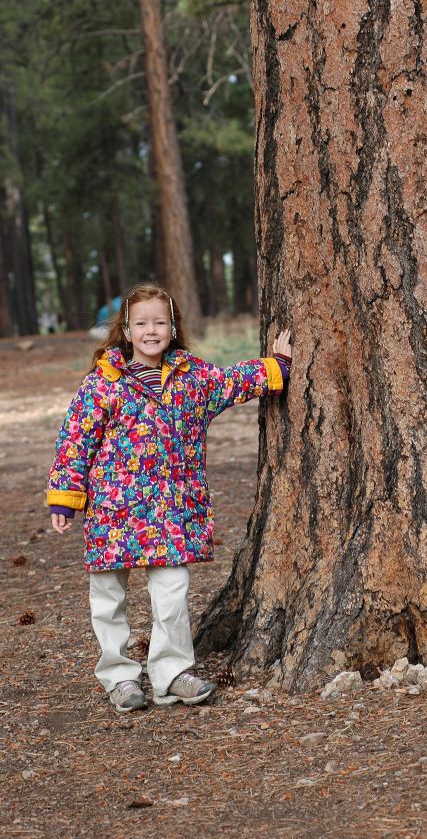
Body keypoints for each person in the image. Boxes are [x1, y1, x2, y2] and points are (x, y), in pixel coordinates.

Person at [47, 282, 291, 713]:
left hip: (171, 508)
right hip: (113, 510)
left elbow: (231, 381)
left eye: (160, 321)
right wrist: (66, 497)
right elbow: (75, 439)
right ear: (126, 329)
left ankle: (171, 672)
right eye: (141, 323)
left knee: (172, 592)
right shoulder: (104, 382)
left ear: (173, 326)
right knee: (108, 596)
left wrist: (276, 366)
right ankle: (119, 677)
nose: (151, 330)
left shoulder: (192, 376)